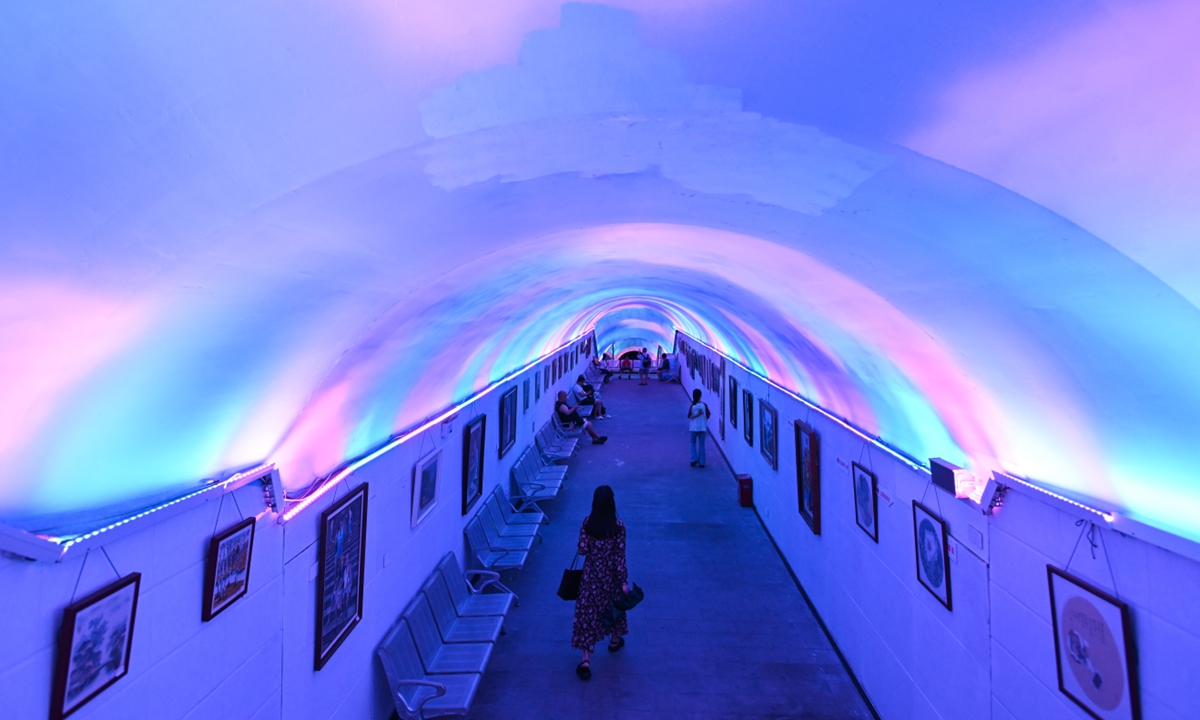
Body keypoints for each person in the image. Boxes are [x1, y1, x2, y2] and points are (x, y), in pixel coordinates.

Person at [572, 485, 629, 680]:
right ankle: (614, 640)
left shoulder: (588, 524)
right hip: (610, 578)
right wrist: (623, 581)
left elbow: (582, 550)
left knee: (588, 616)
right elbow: (620, 557)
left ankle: (586, 659)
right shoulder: (618, 527)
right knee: (613, 609)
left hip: (591, 578)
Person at [688, 388, 710, 467]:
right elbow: (707, 416)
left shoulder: (692, 406)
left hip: (694, 427)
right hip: (702, 428)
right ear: (700, 396)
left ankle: (694, 459)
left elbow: (689, 416)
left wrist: (697, 415)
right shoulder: (704, 405)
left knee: (692, 442)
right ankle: (702, 462)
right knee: (702, 444)